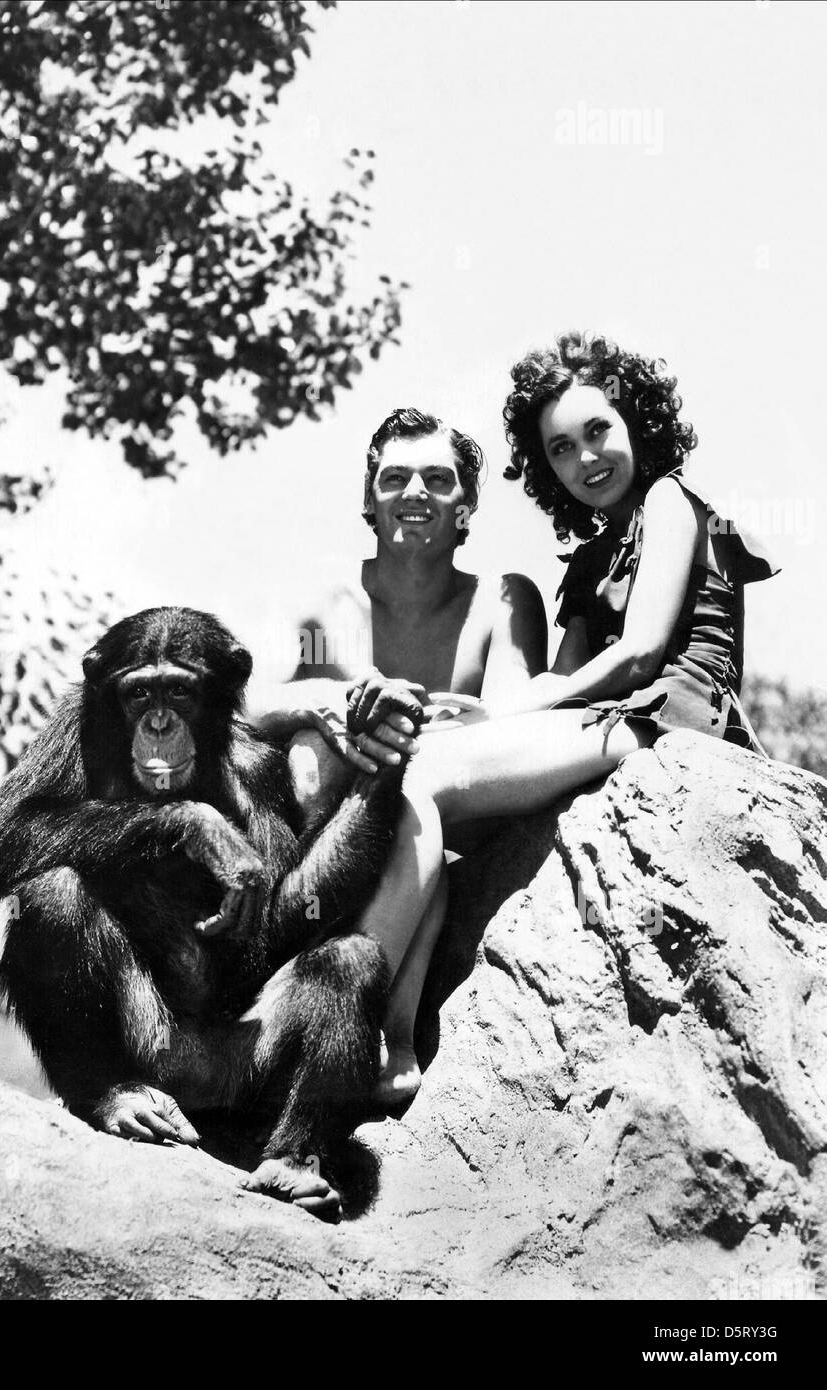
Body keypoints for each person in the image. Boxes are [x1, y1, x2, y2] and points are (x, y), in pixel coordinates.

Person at [337, 331, 779, 1102]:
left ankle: (349, 1025)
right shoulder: (590, 557)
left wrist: (518, 707)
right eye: (562, 449)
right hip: (607, 715)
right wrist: (474, 715)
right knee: (421, 776)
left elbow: (641, 654)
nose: (586, 460)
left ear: (638, 422)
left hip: (666, 714)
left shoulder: (669, 500)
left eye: (597, 432)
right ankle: (396, 1047)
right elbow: (559, 680)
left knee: (429, 778)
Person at [247, 407, 548, 1104]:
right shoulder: (330, 605)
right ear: (367, 498)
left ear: (467, 504)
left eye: (438, 479)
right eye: (396, 477)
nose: (416, 493)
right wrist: (322, 702)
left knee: (415, 804)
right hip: (327, 838)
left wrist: (413, 730)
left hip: (447, 830)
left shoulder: (503, 603)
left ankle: (384, 1036)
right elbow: (243, 702)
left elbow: (508, 723)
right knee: (306, 755)